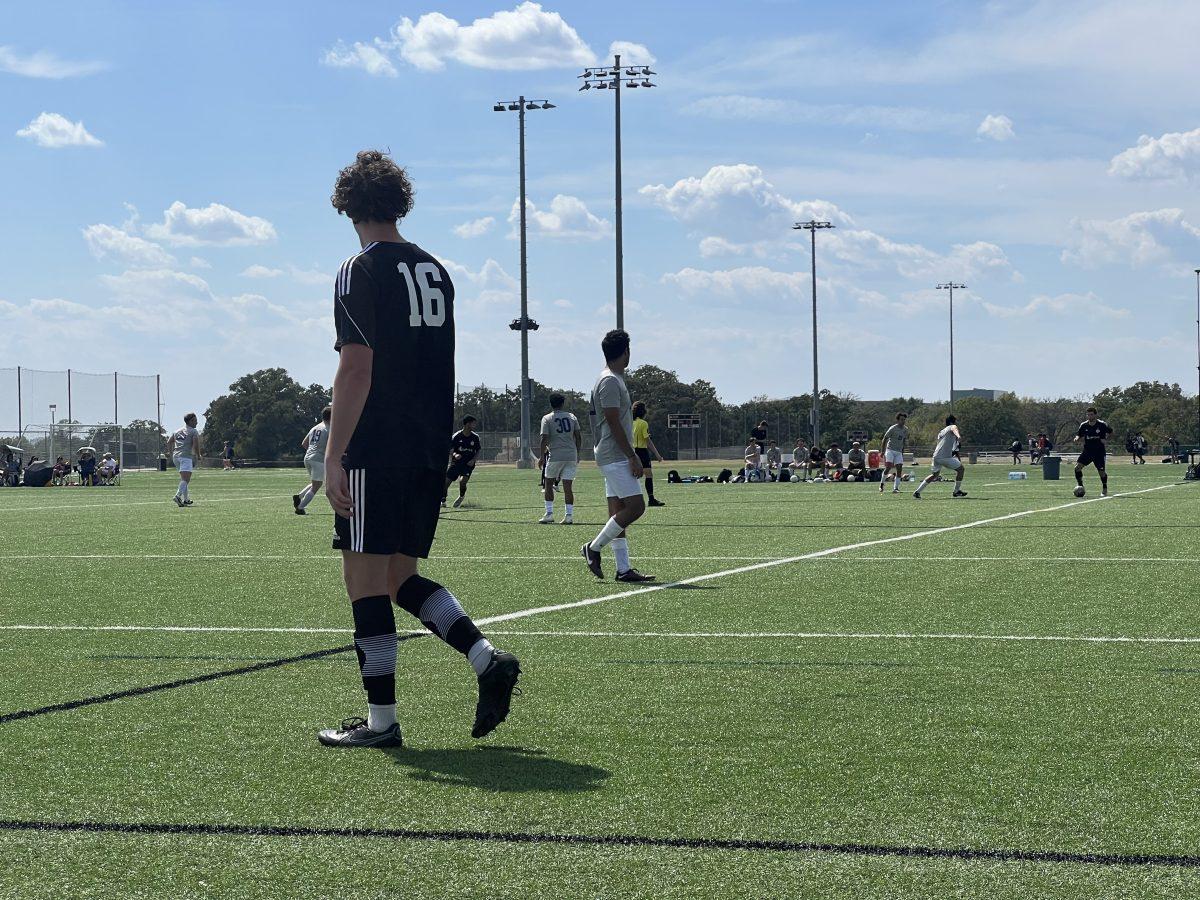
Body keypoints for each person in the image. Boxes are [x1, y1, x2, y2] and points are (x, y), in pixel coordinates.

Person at [318, 148, 519, 749]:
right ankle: (486, 658)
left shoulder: (359, 269)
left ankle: (381, 723)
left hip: (376, 448)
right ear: (399, 201)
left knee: (365, 583)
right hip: (428, 449)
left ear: (347, 204)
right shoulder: (436, 270)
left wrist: (333, 453)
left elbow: (356, 369)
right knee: (402, 575)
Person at [581, 329, 654, 583]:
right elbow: (612, 420)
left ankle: (623, 569)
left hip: (609, 453)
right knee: (636, 507)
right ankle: (593, 547)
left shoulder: (612, 378)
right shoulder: (610, 380)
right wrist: (632, 455)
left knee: (618, 510)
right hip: (614, 454)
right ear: (626, 352)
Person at [539, 394, 581, 524]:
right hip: (571, 455)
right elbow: (578, 437)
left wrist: (541, 457)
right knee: (568, 486)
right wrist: (577, 453)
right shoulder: (572, 417)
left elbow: (544, 438)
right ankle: (569, 516)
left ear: (551, 404)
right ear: (563, 404)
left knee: (548, 483)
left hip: (556, 455)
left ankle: (549, 514)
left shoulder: (547, 418)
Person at [914, 415, 967, 499]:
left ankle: (917, 492)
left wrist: (952, 450)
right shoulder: (952, 426)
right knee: (961, 469)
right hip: (944, 457)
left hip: (936, 456)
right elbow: (954, 429)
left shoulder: (941, 431)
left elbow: (943, 444)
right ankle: (956, 491)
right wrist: (959, 436)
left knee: (934, 475)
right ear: (951, 422)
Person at [294, 406, 331, 515]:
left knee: (316, 482)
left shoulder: (315, 428)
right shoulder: (329, 429)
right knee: (317, 485)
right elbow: (331, 446)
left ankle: (299, 496)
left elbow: (304, 444)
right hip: (318, 459)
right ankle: (300, 507)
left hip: (307, 458)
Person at [631, 401, 666, 506]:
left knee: (632, 476)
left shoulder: (629, 422)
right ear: (643, 411)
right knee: (648, 475)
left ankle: (629, 500)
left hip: (631, 451)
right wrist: (657, 454)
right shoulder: (643, 423)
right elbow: (647, 440)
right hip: (642, 452)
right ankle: (651, 499)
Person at [1073, 406, 1113, 496]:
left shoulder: (1102, 424)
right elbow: (1078, 435)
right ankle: (1080, 485)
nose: (1089, 416)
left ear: (1095, 415)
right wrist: (1076, 438)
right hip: (1087, 451)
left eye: (1091, 414)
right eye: (1088, 415)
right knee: (1077, 468)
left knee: (1101, 472)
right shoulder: (1084, 425)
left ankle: (1104, 488)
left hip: (1099, 452)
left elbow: (1111, 432)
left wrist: (1106, 439)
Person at [443, 416, 481, 508]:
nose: (474, 425)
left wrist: (473, 460)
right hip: (456, 463)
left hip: (468, 464)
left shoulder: (475, 437)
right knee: (445, 482)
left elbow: (478, 450)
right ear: (467, 424)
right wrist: (455, 455)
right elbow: (451, 449)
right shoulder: (456, 436)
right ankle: (443, 500)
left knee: (462, 481)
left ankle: (461, 496)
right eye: (473, 423)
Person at [166, 413, 201, 506]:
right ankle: (177, 496)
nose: (197, 422)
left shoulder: (177, 431)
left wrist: (170, 453)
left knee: (183, 479)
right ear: (190, 421)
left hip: (176, 457)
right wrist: (198, 455)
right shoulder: (193, 431)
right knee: (186, 479)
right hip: (185, 457)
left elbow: (169, 442)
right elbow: (196, 444)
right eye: (195, 420)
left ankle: (186, 499)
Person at [879, 413, 909, 494]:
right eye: (902, 419)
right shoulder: (892, 428)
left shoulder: (905, 429)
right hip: (890, 450)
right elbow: (885, 439)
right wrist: (882, 451)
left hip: (898, 452)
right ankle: (882, 484)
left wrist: (902, 452)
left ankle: (896, 488)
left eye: (904, 419)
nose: (903, 421)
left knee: (899, 469)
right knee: (888, 467)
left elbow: (903, 441)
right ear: (898, 420)